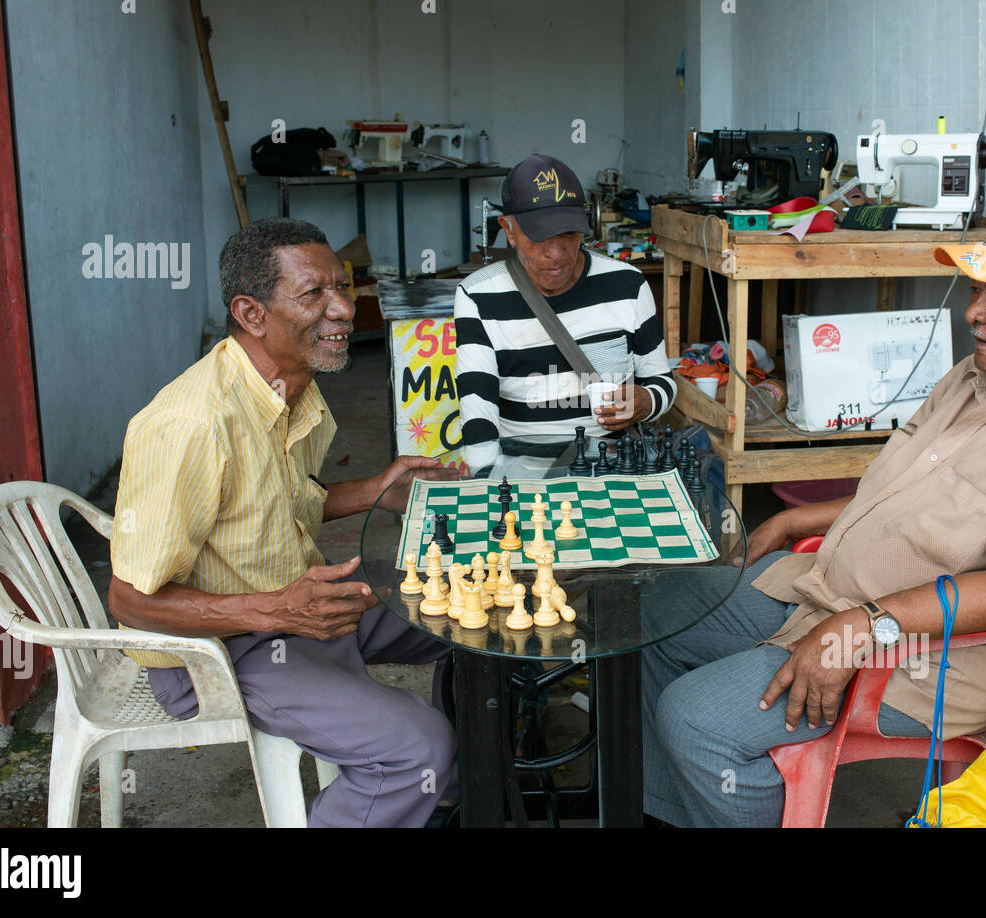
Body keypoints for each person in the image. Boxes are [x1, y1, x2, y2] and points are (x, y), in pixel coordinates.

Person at [643, 215, 986, 827]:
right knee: (650, 612)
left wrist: (863, 627)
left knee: (695, 719)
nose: (973, 314)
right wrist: (797, 519)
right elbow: (898, 491)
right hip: (824, 589)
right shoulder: (973, 377)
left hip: (926, 655)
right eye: (975, 292)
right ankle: (677, 812)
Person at [108, 217, 458, 828]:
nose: (345, 309)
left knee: (481, 610)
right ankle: (413, 780)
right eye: (314, 295)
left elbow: (283, 504)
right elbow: (133, 601)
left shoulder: (293, 391)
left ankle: (449, 791)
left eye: (343, 288)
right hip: (219, 650)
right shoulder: (190, 425)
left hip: (300, 608)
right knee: (417, 748)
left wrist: (377, 490)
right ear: (251, 313)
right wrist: (277, 611)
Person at [454, 154, 675, 475]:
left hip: (613, 463)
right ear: (509, 229)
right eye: (539, 237)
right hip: (524, 465)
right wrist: (489, 483)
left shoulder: (628, 284)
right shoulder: (477, 295)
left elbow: (662, 382)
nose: (556, 254)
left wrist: (646, 402)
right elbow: (477, 407)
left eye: (568, 235)